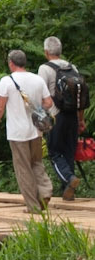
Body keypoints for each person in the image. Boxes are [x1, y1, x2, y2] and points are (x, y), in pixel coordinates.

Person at [0, 47, 55, 213]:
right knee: (37, 163)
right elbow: (49, 102)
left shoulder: (7, 81)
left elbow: (0, 107)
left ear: (11, 63)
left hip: (17, 132)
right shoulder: (37, 79)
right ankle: (45, 191)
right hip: (36, 131)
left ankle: (33, 207)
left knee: (23, 168)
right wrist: (38, 110)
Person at [38, 36, 87, 204]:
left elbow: (40, 94)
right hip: (73, 116)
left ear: (46, 52)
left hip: (55, 116)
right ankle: (68, 192)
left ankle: (69, 178)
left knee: (54, 153)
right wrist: (81, 120)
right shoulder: (72, 67)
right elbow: (79, 98)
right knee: (68, 153)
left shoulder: (44, 69)